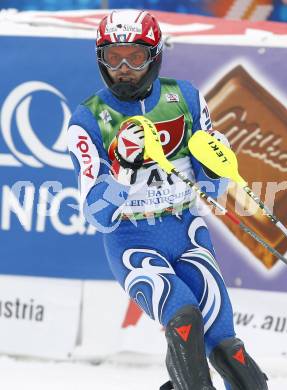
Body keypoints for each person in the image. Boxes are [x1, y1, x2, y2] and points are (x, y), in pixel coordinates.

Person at [67, 9, 268, 390]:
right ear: (100, 59)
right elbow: (98, 217)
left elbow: (211, 189)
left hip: (187, 232)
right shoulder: (89, 119)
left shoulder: (186, 98)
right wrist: (124, 168)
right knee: (184, 319)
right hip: (132, 241)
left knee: (229, 349)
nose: (123, 68)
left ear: (155, 55)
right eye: (113, 57)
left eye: (135, 57)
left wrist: (217, 164)